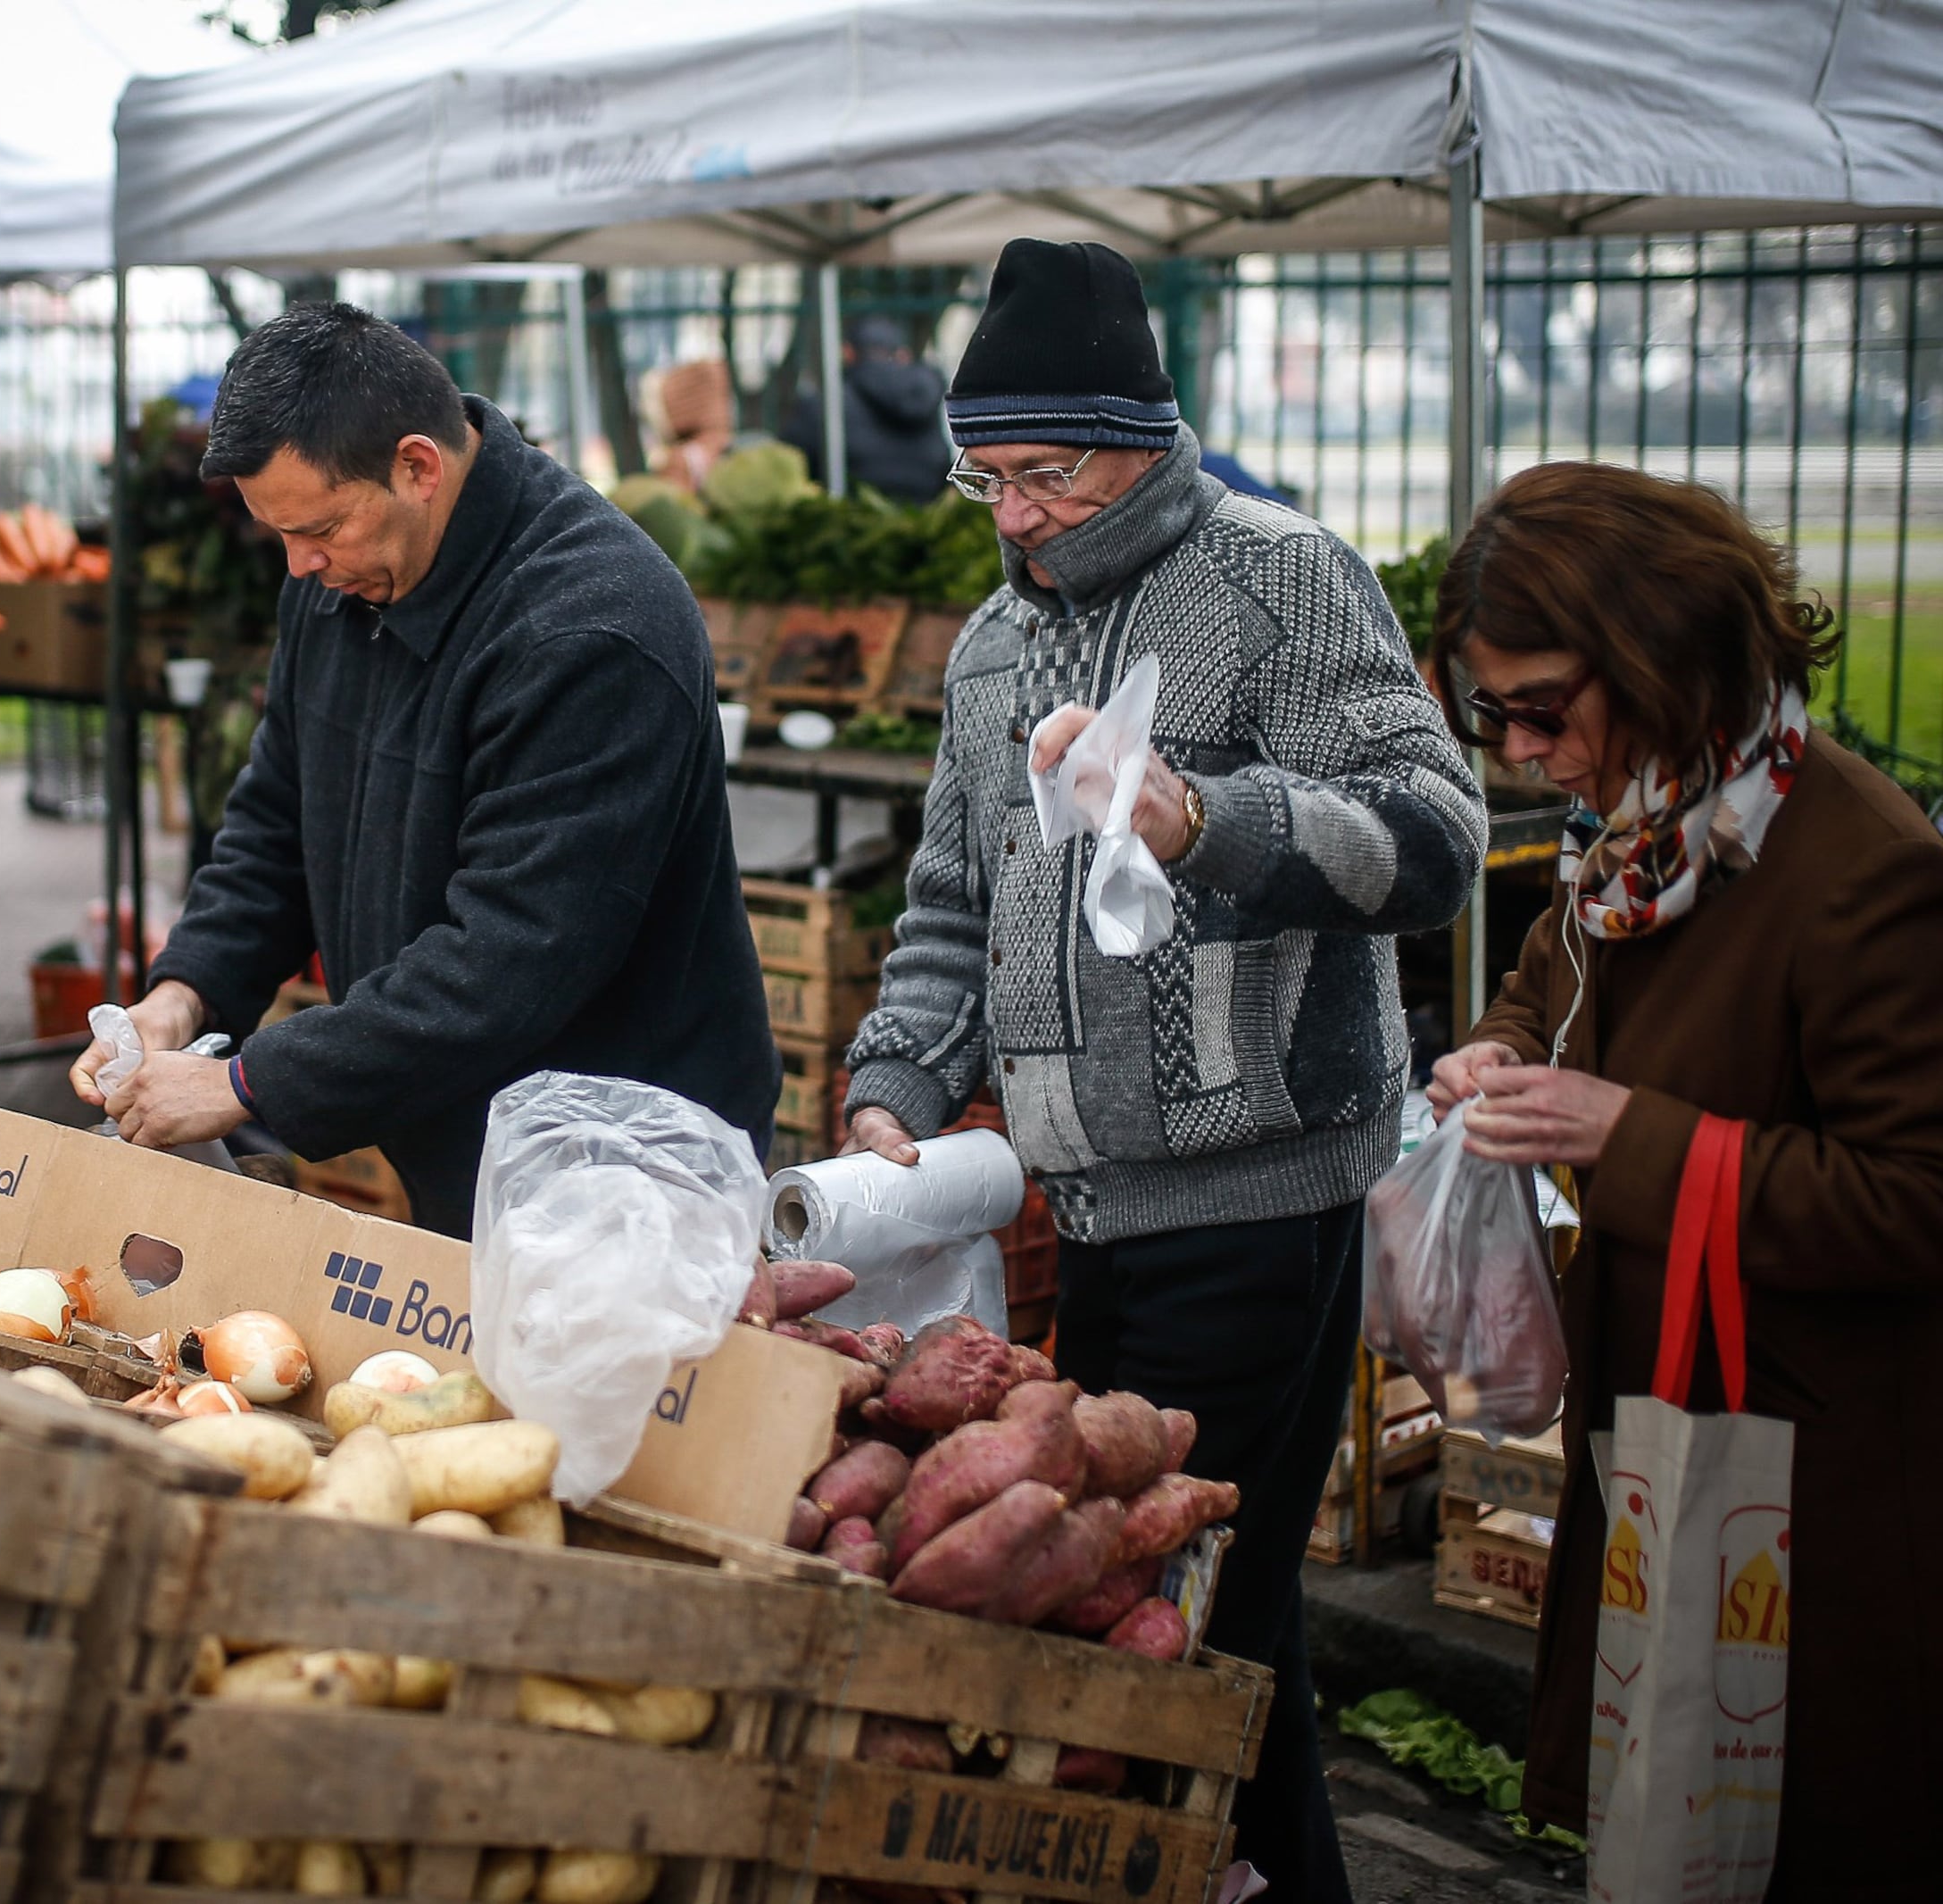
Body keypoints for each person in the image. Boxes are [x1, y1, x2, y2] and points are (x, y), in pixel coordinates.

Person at [838, 238, 1485, 1902]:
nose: (1016, 513)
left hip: (1259, 1194)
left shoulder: (1281, 578)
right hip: (1087, 1200)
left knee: (1204, 1631)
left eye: (1047, 473)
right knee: (1184, 1635)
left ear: (1144, 435)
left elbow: (1434, 840)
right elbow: (950, 900)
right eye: (988, 477)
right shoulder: (992, 646)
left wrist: (1204, 819)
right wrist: (894, 1085)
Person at [1424, 462, 1943, 1899]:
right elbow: (1546, 987)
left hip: (1806, 1464)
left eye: (1543, 706)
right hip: (1660, 1406)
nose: (1522, 750)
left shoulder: (1859, 869)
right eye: (1493, 712)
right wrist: (1498, 1055)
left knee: (1801, 1817)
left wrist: (1619, 1132)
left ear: (1661, 652)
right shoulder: (1649, 833)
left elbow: (1916, 1200)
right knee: (1678, 1807)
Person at [70, 303, 777, 1238]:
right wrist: (183, 993)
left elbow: (506, 956)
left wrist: (245, 1081)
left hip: (624, 1162)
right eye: (277, 533)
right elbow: (277, 821)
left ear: (417, 466)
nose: (299, 564)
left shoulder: (593, 628)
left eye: (319, 528)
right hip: (461, 1128)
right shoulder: (342, 578)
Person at [781, 316, 954, 503]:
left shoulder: (827, 405)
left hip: (848, 519)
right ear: (903, 355)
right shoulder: (929, 398)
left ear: (847, 353)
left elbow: (788, 467)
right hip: (929, 519)